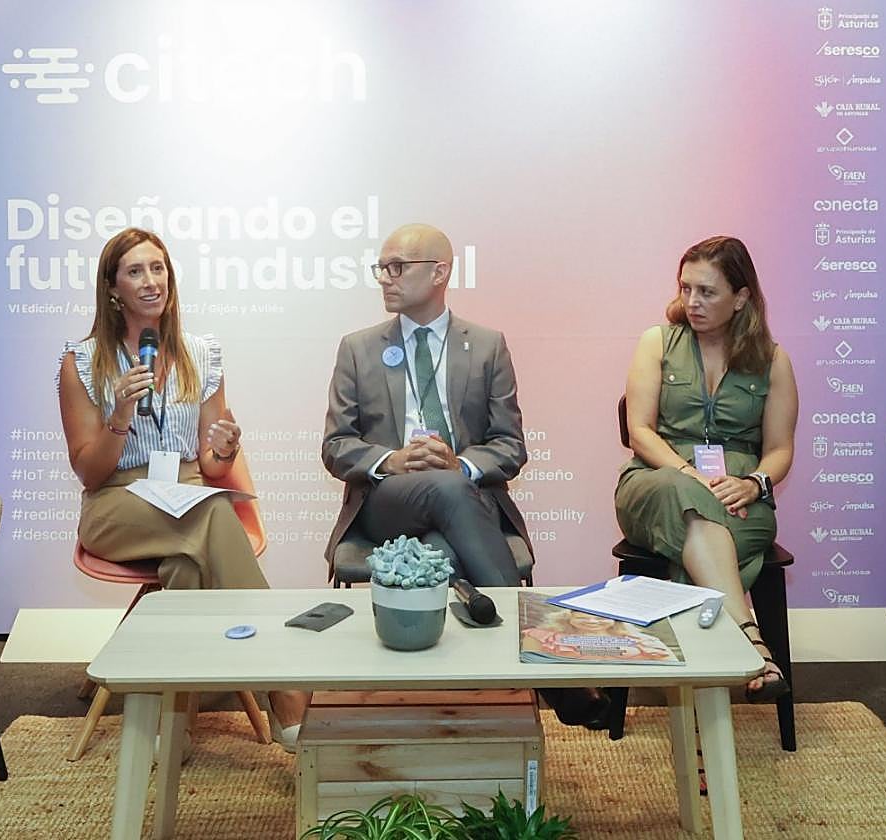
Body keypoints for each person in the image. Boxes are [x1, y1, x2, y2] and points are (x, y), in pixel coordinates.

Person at [321, 222, 610, 729]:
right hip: (386, 504)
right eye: (380, 268)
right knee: (449, 489)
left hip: (462, 502)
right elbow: (337, 446)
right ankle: (554, 675)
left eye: (397, 267)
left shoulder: (488, 346)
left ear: (440, 272)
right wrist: (390, 462)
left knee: (445, 527)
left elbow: (510, 446)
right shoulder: (358, 348)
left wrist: (463, 465)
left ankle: (451, 710)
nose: (385, 278)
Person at [57, 227, 307, 748]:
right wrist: (120, 416)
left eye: (158, 269)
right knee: (213, 517)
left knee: (187, 564)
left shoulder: (201, 352)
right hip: (117, 503)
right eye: (135, 271)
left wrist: (224, 447)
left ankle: (170, 727)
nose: (151, 282)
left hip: (189, 494)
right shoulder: (82, 362)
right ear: (112, 289)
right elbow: (89, 472)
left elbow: (214, 468)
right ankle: (286, 686)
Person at [615, 235, 798, 702]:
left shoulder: (773, 361)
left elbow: (779, 450)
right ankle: (749, 638)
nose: (691, 302)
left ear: (741, 298)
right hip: (656, 484)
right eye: (685, 288)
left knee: (700, 542)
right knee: (685, 499)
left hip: (738, 498)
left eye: (707, 292)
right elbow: (640, 431)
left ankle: (696, 679)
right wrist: (688, 473)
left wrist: (755, 484)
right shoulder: (657, 341)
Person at [522, 610, 678, 663]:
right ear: (569, 617)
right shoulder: (542, 636)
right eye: (582, 617)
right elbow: (527, 660)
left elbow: (673, 666)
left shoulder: (644, 642)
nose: (591, 621)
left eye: (600, 617)